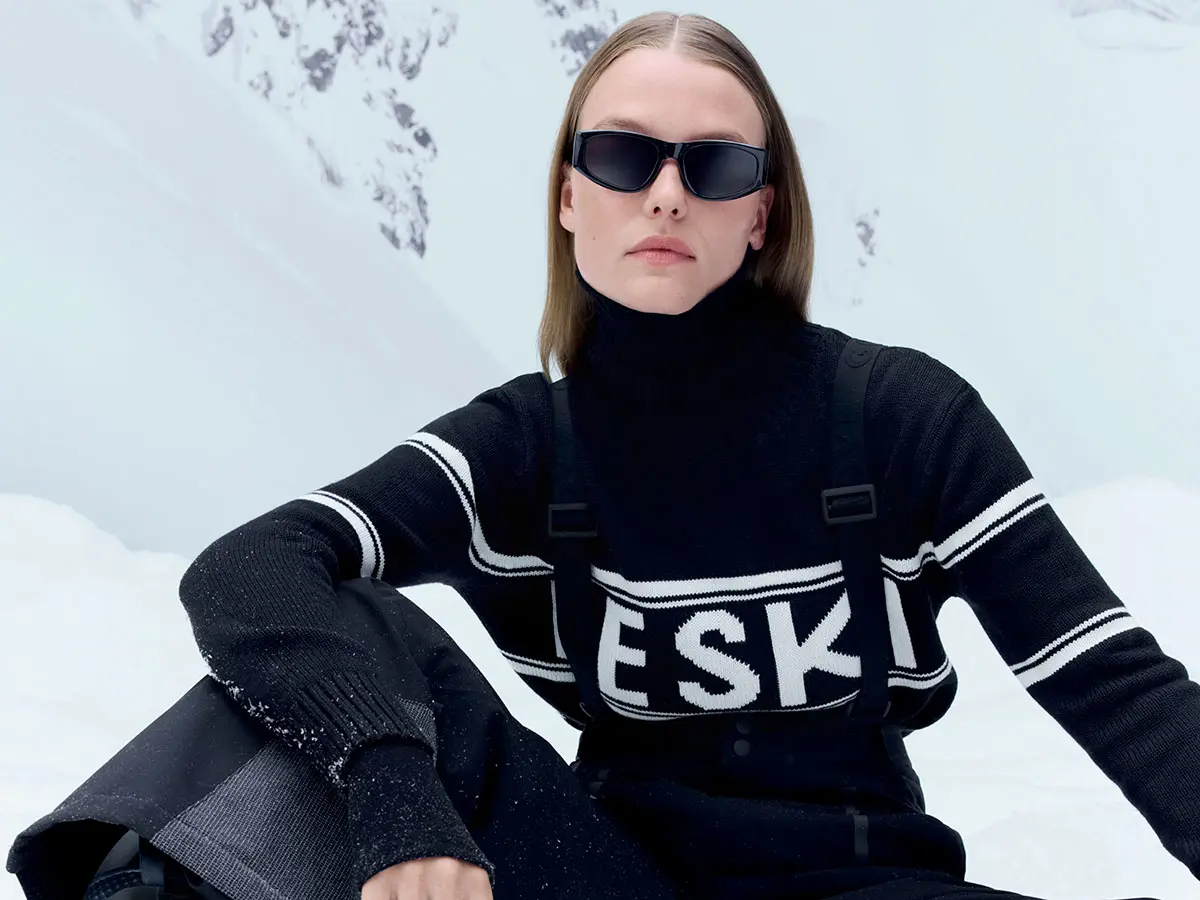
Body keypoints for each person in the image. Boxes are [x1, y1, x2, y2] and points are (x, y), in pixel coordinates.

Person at [175, 11, 1199, 900]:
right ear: (571, 195)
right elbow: (251, 566)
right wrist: (395, 788)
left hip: (868, 882)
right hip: (605, 877)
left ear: (760, 213)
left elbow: (1111, 680)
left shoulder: (899, 417)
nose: (666, 195)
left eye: (714, 165)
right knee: (330, 634)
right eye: (624, 157)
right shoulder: (527, 444)